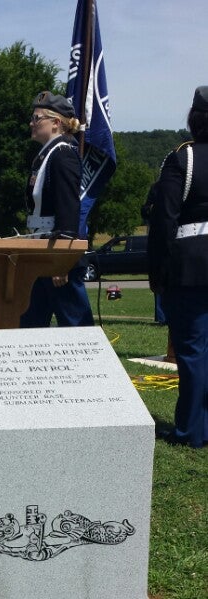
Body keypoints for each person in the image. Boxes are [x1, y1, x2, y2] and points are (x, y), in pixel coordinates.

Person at [148, 86, 208, 449]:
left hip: (190, 268)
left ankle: (191, 430)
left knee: (192, 350)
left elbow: (164, 221)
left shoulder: (182, 159)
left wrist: (157, 272)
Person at [19, 91, 94, 329]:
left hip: (57, 255)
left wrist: (62, 262)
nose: (31, 123)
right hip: (40, 251)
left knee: (76, 329)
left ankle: (90, 367)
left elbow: (69, 209)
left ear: (56, 123)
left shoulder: (63, 155)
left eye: (37, 118)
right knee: (30, 326)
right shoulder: (47, 155)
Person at [141, 183, 167, 325]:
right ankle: (161, 317)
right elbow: (145, 210)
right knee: (159, 277)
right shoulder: (156, 187)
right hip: (158, 239)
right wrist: (152, 210)